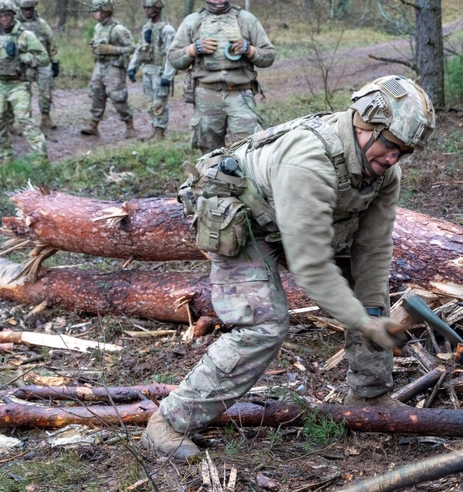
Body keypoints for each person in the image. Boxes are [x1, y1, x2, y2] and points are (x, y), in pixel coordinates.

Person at [141, 75, 436, 461]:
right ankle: (169, 422)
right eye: (391, 146)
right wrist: (367, 325)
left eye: (405, 152)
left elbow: (373, 247)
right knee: (263, 325)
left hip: (289, 219)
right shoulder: (308, 161)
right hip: (242, 218)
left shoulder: (384, 173)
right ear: (366, 125)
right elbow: (310, 265)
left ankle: (370, 395)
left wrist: (374, 313)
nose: (394, 159)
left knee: (372, 297)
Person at [167, 0, 275, 153]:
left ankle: (247, 182)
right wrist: (193, 49)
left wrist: (249, 50)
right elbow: (174, 58)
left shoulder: (246, 20)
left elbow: (269, 56)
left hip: (240, 94)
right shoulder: (193, 22)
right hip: (207, 94)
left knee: (251, 148)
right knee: (209, 152)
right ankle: (212, 182)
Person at [0, 0, 50, 161]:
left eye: (7, 15)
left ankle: (40, 157)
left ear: (13, 15)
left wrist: (23, 56)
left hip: (18, 84)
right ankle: (5, 158)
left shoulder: (25, 36)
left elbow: (44, 58)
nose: (3, 19)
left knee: (25, 121)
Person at [82, 0, 136, 138]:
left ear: (106, 10)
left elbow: (132, 47)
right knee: (96, 94)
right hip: (100, 65)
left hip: (114, 67)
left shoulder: (118, 29)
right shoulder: (98, 27)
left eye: (97, 10)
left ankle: (129, 126)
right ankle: (93, 125)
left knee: (117, 96)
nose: (95, 13)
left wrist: (112, 50)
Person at [127, 0, 176, 140]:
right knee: (150, 103)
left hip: (160, 72)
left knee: (159, 103)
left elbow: (171, 54)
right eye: (145, 8)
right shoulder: (147, 27)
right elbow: (139, 48)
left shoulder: (168, 30)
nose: (146, 11)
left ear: (157, 8)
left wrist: (168, 75)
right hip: (148, 71)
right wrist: (132, 67)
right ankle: (154, 129)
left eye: (149, 8)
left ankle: (160, 132)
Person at [15, 0, 60, 131]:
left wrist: (55, 62)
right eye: (25, 9)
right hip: (24, 63)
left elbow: (51, 42)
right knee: (23, 92)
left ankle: (45, 117)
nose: (28, 12)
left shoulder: (41, 24)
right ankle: (25, 119)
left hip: (42, 62)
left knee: (46, 90)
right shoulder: (16, 25)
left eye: (31, 9)